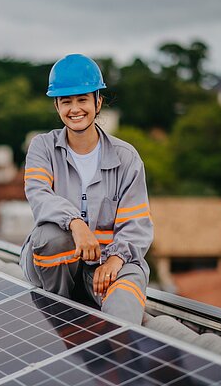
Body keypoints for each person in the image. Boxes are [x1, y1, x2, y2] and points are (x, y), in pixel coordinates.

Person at [20, 54, 153, 325]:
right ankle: (60, 314)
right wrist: (75, 224)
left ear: (98, 101)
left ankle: (119, 354)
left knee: (128, 296)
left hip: (107, 264)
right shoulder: (42, 147)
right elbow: (39, 195)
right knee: (51, 237)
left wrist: (116, 260)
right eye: (66, 101)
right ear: (57, 106)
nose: (75, 108)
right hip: (56, 266)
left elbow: (137, 223)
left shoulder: (126, 158)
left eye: (82, 99)